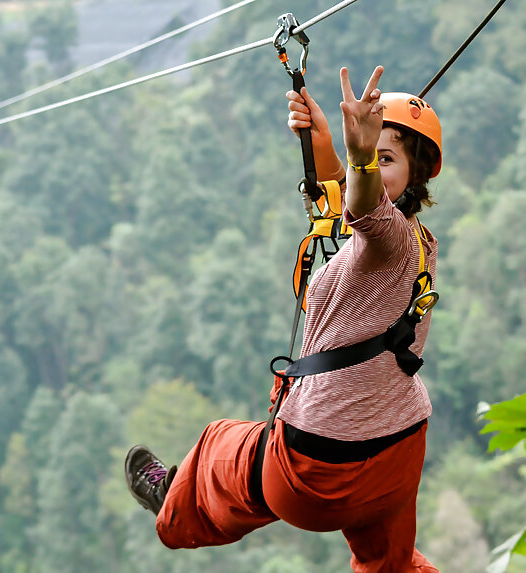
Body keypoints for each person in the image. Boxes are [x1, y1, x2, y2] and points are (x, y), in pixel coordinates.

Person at [124, 66, 442, 573]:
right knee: (391, 566)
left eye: (389, 158)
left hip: (318, 468)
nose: (375, 166)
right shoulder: (417, 242)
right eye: (373, 156)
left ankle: (173, 502)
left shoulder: (390, 238)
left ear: (415, 174)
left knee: (221, 448)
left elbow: (363, 206)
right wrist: (324, 143)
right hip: (395, 460)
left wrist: (360, 157)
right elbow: (350, 199)